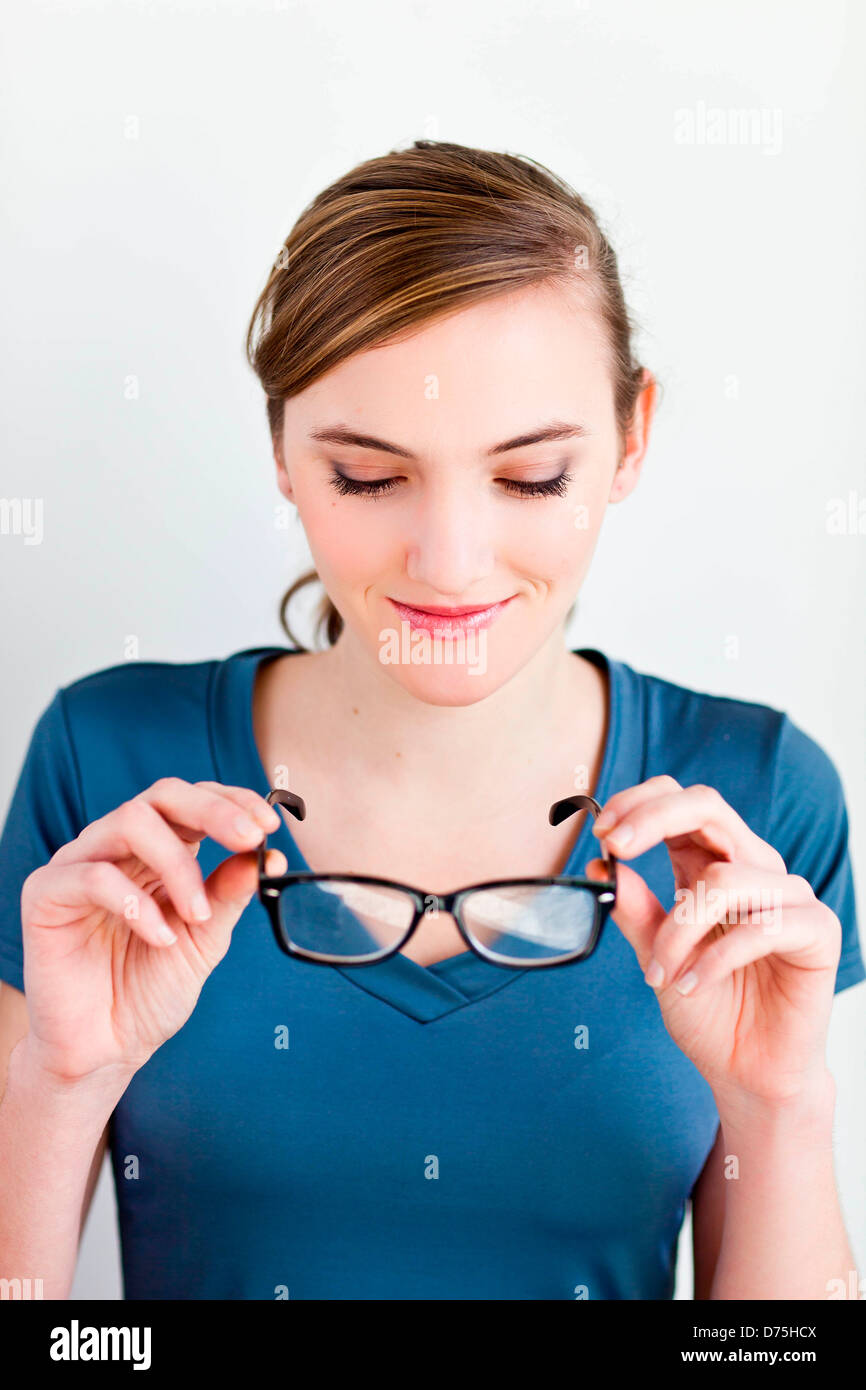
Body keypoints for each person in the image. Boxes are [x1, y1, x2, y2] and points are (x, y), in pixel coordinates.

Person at [0, 140, 862, 1302]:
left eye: (530, 476)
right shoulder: (104, 767)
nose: (449, 566)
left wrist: (782, 1107)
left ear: (631, 438)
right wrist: (55, 1081)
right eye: (366, 476)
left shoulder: (753, 796)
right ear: (282, 455)